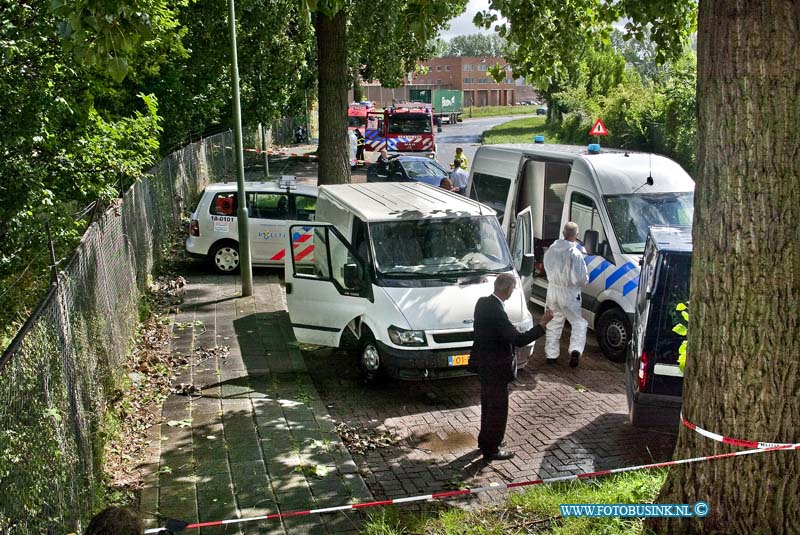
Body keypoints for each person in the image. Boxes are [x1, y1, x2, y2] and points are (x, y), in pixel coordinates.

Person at [470, 273, 552, 462]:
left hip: (484, 365)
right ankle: (492, 448)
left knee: (488, 405)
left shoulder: (482, 303)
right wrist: (542, 324)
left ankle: (485, 441)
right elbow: (518, 339)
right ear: (508, 290)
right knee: (498, 409)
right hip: (497, 367)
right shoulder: (497, 312)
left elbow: (497, 332)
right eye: (513, 289)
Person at [543, 222, 590, 367]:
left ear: (563, 233)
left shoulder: (551, 249)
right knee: (578, 323)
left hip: (552, 290)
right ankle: (575, 350)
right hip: (569, 293)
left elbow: (546, 266)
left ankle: (551, 355)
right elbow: (582, 279)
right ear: (576, 235)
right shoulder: (575, 254)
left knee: (554, 322)